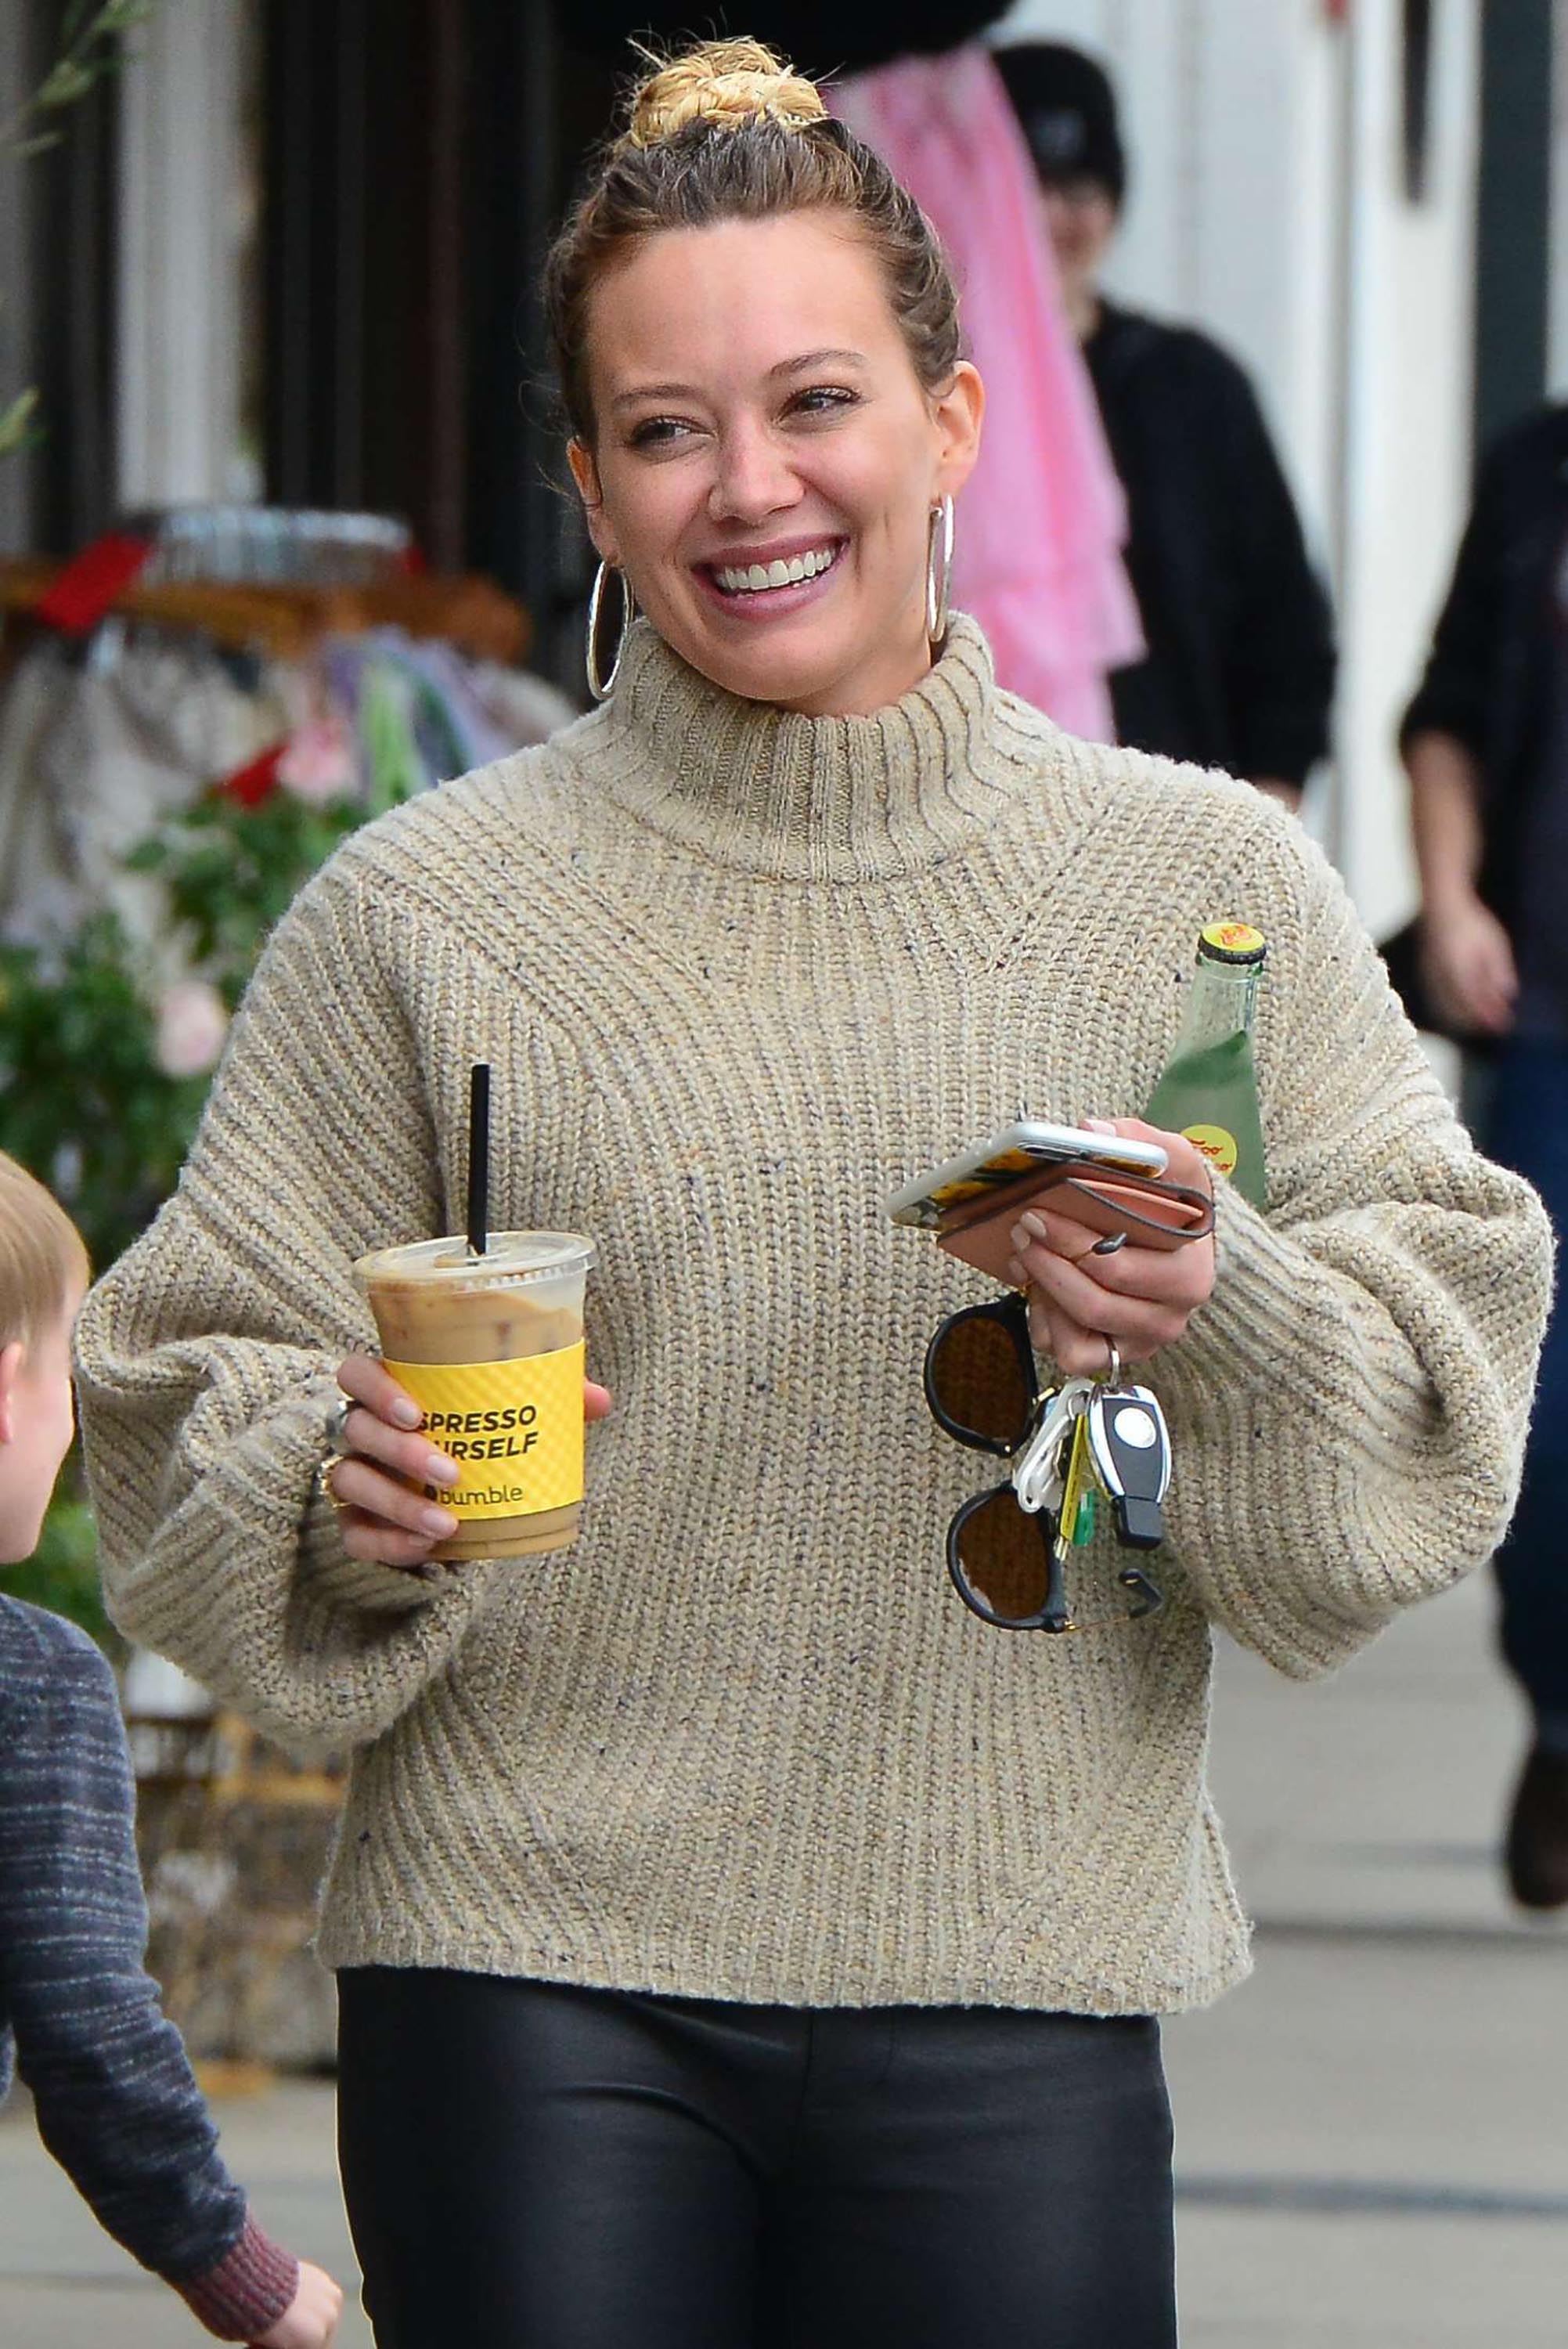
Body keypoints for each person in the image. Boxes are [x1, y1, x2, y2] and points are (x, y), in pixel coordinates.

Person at [74, 39, 1549, 2349]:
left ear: (955, 423)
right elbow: (173, 1389)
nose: (749, 485)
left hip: (1018, 1952)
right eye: (666, 429)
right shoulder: (424, 913)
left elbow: (1436, 1400)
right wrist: (333, 1485)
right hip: (527, 1963)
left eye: (817, 402)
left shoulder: (1197, 891)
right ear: (589, 488)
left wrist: (1217, 1290)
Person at [0, 1150, 343, 2347]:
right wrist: (234, 2266)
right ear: (5, 1394)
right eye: (67, 1379)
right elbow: (89, 2027)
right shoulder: (28, 1682)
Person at [993, 40, 1336, 806]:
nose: (1049, 216)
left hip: (1181, 817)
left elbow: (1285, 632)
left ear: (1114, 204)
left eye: (1077, 189)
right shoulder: (930, 392)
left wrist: (1258, 821)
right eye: (1024, 187)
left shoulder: (1194, 387)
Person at [1398, 400, 1568, 1910]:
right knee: (1544, 1426)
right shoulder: (1535, 469)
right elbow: (1446, 712)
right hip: (1548, 1026)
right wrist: (1450, 901)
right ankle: (1560, 1711)